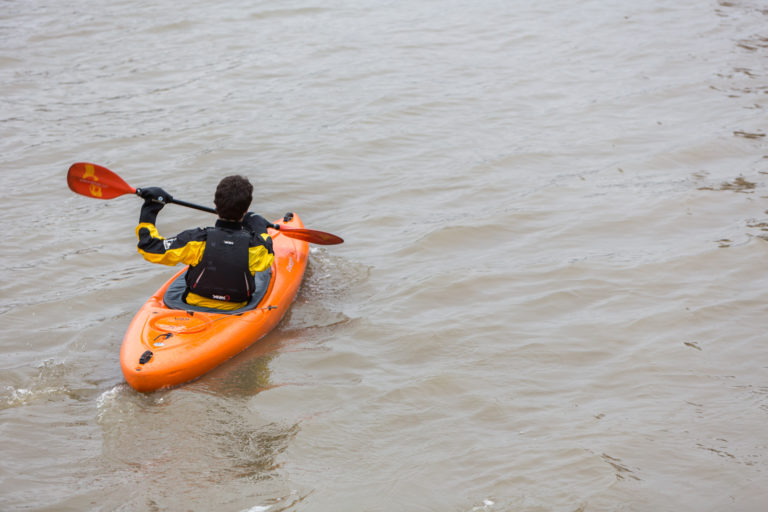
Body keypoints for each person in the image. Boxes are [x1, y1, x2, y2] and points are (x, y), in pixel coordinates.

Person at [135, 175, 274, 311]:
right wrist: (258, 224)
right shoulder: (256, 247)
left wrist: (150, 209)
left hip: (193, 307)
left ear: (215, 205)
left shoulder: (195, 240)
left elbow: (149, 247)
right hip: (236, 308)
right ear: (246, 209)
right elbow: (268, 252)